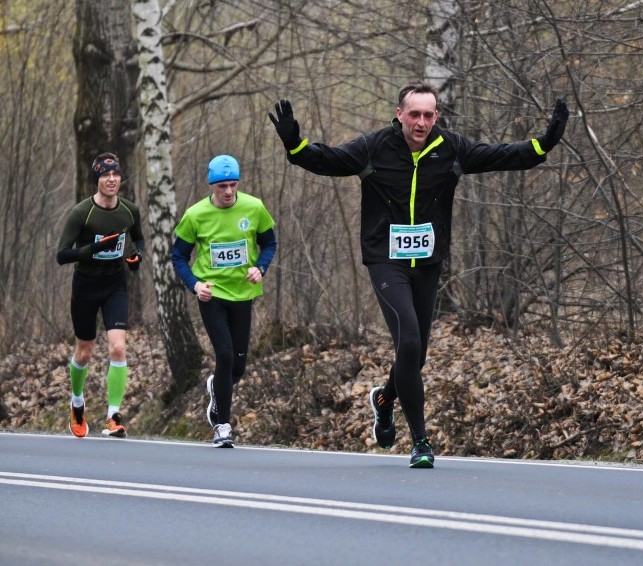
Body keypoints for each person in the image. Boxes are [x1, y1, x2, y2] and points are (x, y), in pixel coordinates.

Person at [268, 81, 568, 468]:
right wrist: (295, 145)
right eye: (414, 114)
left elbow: (505, 155)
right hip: (385, 260)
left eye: (428, 114)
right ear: (400, 115)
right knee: (408, 341)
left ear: (436, 117)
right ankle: (421, 441)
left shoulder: (452, 149)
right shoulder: (375, 148)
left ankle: (384, 398)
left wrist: (545, 144)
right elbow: (328, 160)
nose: (421, 122)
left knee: (417, 354)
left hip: (427, 263)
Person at [171, 155, 277, 448]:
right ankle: (222, 426)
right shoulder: (195, 215)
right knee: (226, 355)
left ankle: (216, 388)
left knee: (238, 367)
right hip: (212, 295)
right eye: (222, 187)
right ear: (211, 186)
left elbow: (269, 243)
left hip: (243, 294)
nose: (229, 192)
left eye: (233, 185)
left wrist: (261, 267)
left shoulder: (254, 208)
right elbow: (178, 256)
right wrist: (194, 285)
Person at [57, 152, 145, 439]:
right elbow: (61, 254)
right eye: (105, 175)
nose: (111, 179)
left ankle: (113, 416)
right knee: (84, 352)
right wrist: (91, 250)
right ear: (97, 180)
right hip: (85, 287)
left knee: (118, 348)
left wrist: (136, 256)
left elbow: (139, 238)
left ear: (120, 177)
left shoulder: (129, 210)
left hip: (115, 285)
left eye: (115, 174)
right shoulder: (82, 213)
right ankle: (77, 403)